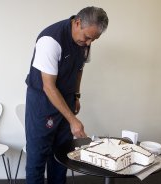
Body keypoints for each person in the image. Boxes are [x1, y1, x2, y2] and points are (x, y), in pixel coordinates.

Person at [25, 6, 109, 184]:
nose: (88, 43)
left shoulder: (85, 42)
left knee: (62, 155)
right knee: (37, 159)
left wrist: (77, 95)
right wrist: (73, 120)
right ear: (77, 22)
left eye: (93, 39)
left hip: (67, 98)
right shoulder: (50, 40)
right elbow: (49, 87)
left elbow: (79, 69)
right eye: (87, 37)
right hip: (43, 102)